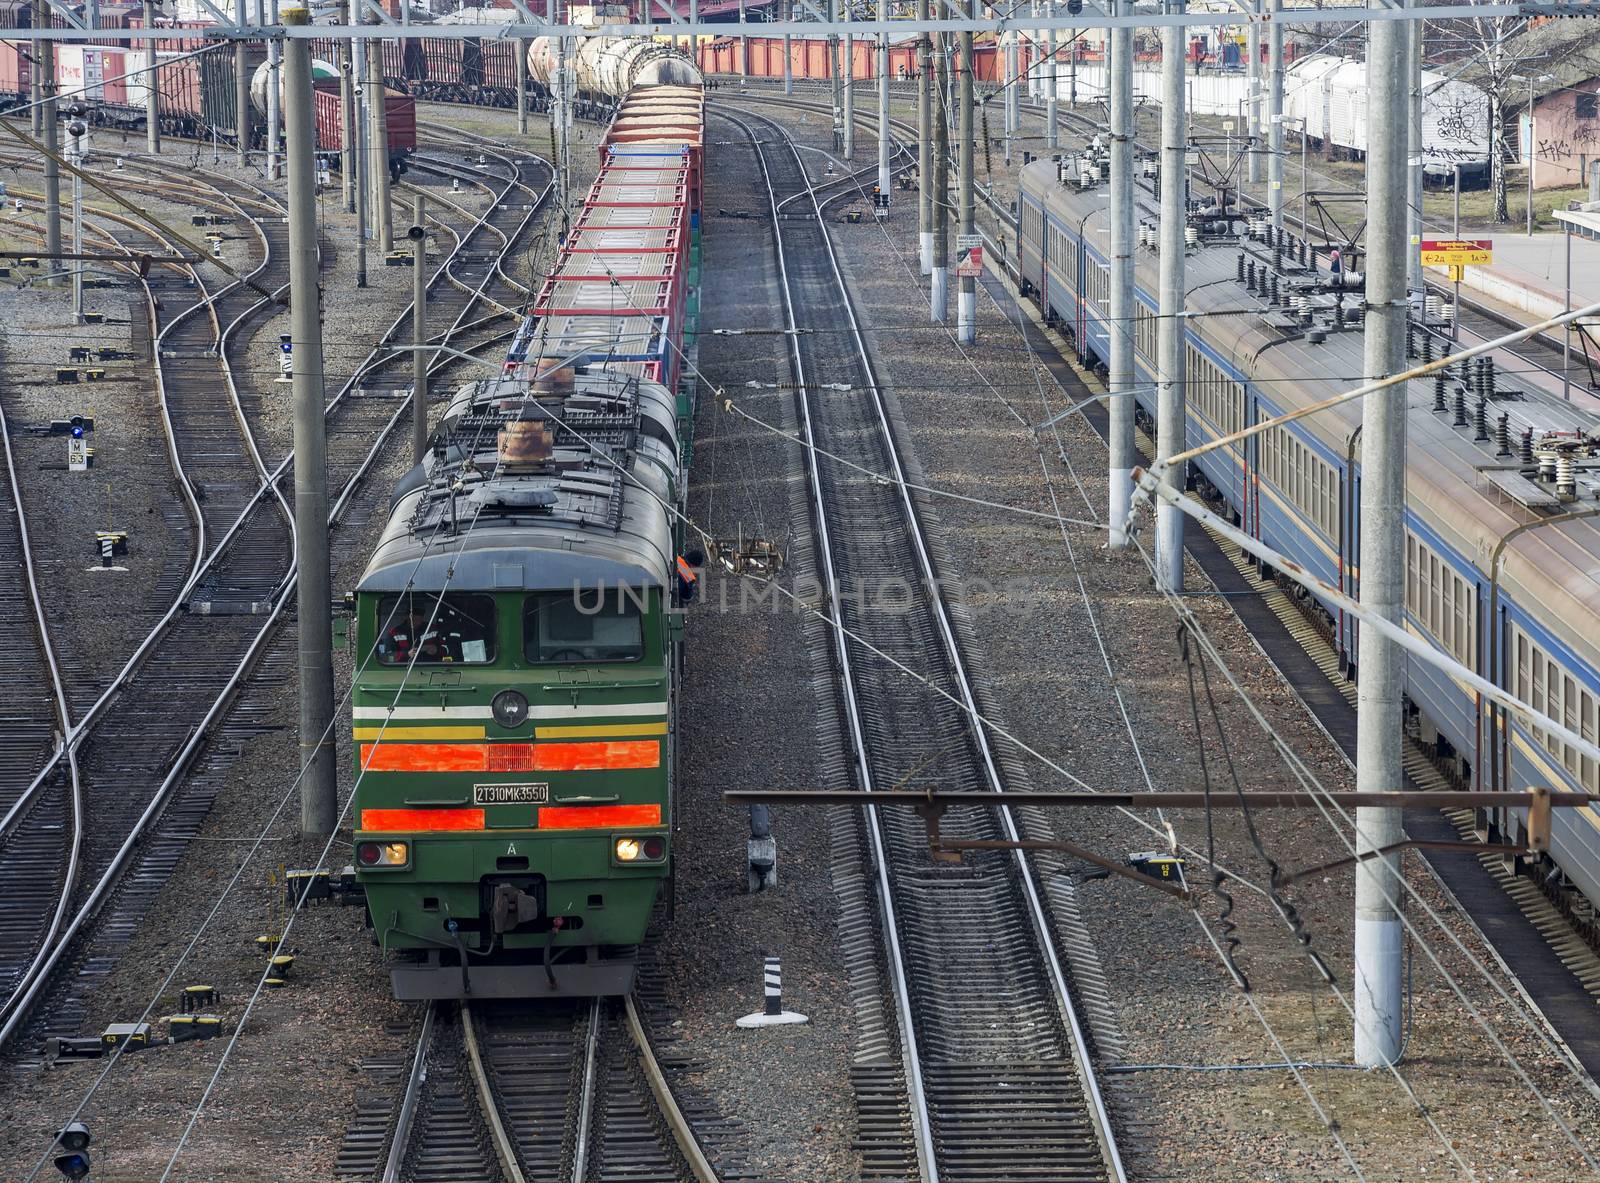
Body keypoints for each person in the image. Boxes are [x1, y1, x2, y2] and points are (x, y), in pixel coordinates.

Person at [379, 607, 447, 664]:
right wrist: (407, 654)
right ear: (407, 617)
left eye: (419, 620)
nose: (417, 622)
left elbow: (448, 649)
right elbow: (388, 657)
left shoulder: (433, 629)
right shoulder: (394, 633)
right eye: (414, 619)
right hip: (403, 670)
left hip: (430, 667)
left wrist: (437, 650)